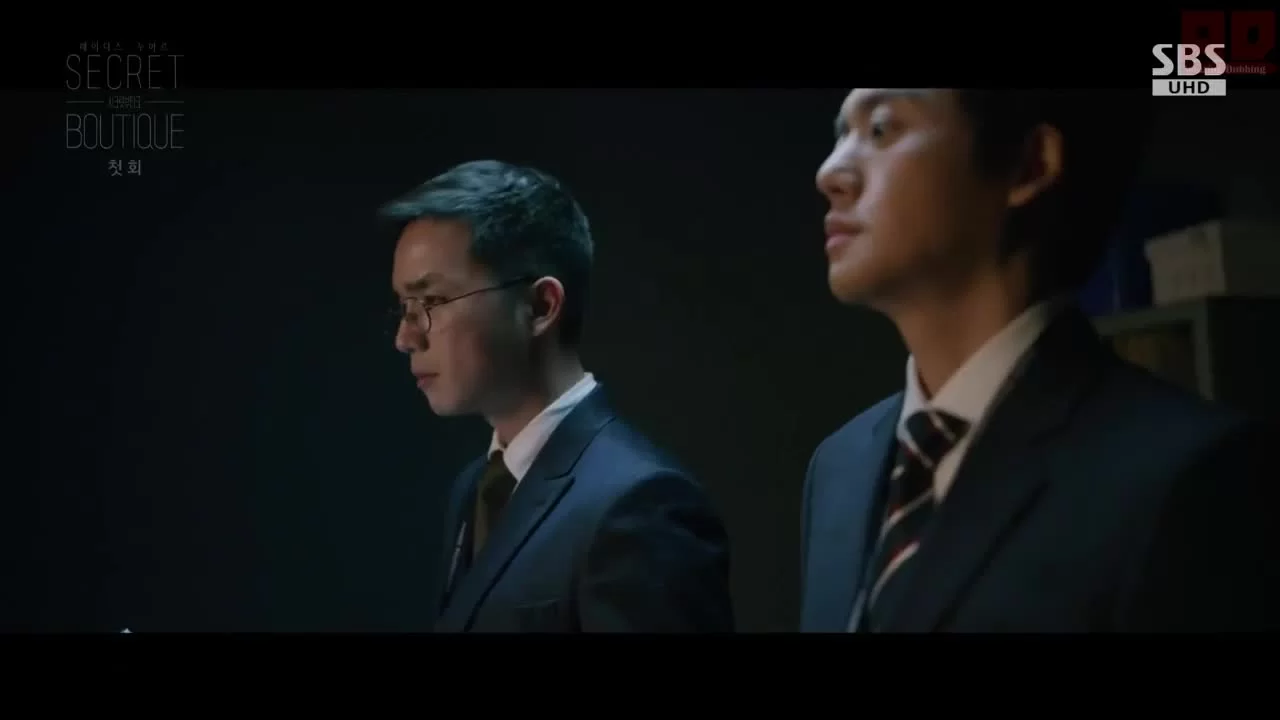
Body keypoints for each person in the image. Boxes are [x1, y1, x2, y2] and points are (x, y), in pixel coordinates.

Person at [800, 89, 1278, 632]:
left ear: (1029, 165)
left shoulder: (1190, 476)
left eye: (881, 129)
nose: (829, 172)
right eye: (841, 134)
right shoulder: (840, 469)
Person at [381, 159, 734, 632]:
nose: (405, 337)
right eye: (403, 307)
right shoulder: (473, 487)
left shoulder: (639, 505)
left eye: (432, 302)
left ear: (540, 306)